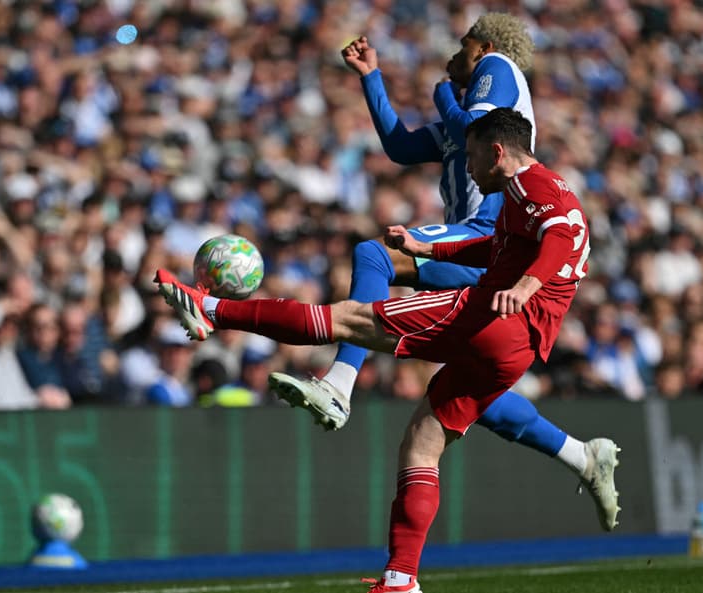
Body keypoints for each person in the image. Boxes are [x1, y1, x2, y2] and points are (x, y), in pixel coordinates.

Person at [155, 109, 620, 593]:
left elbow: (560, 237)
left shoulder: (531, 185)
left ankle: (211, 308)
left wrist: (524, 286)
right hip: (520, 346)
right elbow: (496, 250)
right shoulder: (535, 193)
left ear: (497, 151)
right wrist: (424, 246)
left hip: (493, 318)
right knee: (423, 438)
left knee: (349, 318)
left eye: (473, 155)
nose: (470, 167)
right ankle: (401, 578)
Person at [271, 13, 590, 486]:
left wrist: (441, 91)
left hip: (486, 234)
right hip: (479, 248)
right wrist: (371, 78)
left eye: (462, 46)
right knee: (471, 382)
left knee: (374, 255)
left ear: (481, 47)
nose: (454, 56)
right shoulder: (468, 121)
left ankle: (340, 382)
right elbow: (400, 147)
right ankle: (580, 455)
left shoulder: (497, 69)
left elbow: (465, 126)